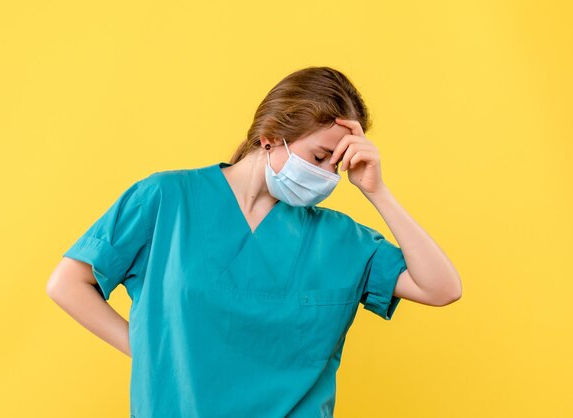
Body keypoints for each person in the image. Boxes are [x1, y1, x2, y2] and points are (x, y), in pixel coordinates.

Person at [47, 66, 462, 418]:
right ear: (270, 137)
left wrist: (377, 191)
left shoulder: (340, 239)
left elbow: (441, 288)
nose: (328, 177)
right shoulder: (167, 200)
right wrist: (154, 351)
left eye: (338, 165)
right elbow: (67, 283)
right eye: (319, 158)